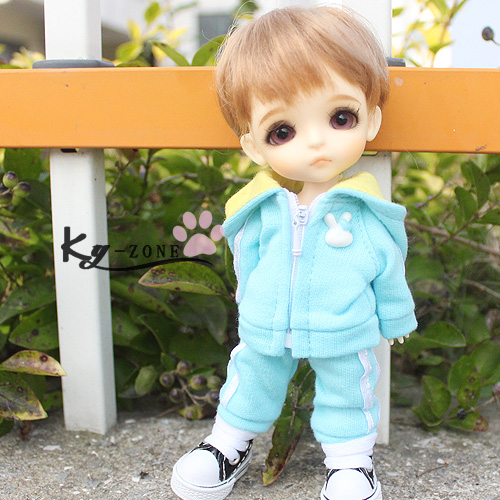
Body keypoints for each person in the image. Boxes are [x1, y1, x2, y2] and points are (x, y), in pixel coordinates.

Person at [171, 6, 417, 500]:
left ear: (371, 119)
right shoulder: (259, 209)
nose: (317, 142)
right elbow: (246, 261)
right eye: (282, 131)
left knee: (349, 391)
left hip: (343, 326)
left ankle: (350, 463)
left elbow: (389, 269)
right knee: (250, 380)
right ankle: (228, 443)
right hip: (267, 325)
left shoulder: (368, 213)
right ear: (254, 147)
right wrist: (251, 304)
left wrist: (396, 317)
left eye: (341, 117)